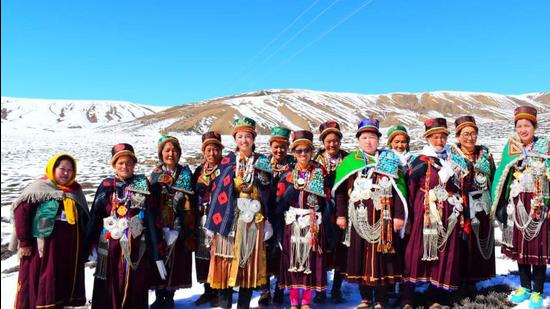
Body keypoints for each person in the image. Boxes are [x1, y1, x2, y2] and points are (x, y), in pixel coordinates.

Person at [332, 118, 408, 308]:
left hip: (385, 219)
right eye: (364, 137)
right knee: (361, 257)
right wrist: (341, 215)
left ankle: (381, 299)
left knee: (383, 259)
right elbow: (340, 192)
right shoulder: (350, 162)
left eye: (372, 137)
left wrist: (399, 216)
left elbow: (399, 190)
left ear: (378, 140)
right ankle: (365, 298)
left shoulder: (389, 160)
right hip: (358, 219)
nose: (368, 141)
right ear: (359, 140)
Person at [205, 117, 274, 309]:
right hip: (228, 221)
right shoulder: (227, 161)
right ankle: (225, 305)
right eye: (240, 136)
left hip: (253, 221)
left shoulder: (262, 162)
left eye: (248, 137)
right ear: (235, 139)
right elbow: (217, 192)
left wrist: (265, 215)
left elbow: (268, 193)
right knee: (225, 265)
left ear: (253, 139)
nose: (244, 140)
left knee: (247, 266)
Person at [88, 143, 165, 309]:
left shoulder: (142, 184)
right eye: (121, 163)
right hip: (110, 247)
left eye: (129, 163)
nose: (125, 166)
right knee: (109, 284)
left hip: (136, 247)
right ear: (114, 165)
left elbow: (152, 218)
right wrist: (88, 246)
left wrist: (157, 251)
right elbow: (95, 216)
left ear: (134, 165)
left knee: (135, 285)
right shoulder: (106, 186)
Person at [11, 153, 89, 309]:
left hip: (68, 250)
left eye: (70, 169)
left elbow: (85, 218)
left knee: (60, 285)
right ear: (53, 168)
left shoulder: (75, 191)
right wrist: (24, 242)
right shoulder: (38, 188)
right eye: (62, 168)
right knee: (41, 281)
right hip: (43, 249)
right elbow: (21, 213)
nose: (66, 173)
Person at [402, 118, 465, 309]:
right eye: (435, 137)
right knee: (416, 252)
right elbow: (411, 188)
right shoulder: (420, 161)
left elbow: (459, 186)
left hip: (447, 213)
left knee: (443, 251)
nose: (439, 141)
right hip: (425, 212)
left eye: (443, 137)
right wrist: (410, 217)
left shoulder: (453, 161)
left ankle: (435, 296)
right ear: (428, 138)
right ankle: (407, 297)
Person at [491, 106, 549, 309]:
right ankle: (524, 287)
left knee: (538, 248)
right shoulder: (511, 146)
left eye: (527, 125)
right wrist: (499, 202)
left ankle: (538, 290)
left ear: (534, 127)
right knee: (521, 248)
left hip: (538, 204)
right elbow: (502, 173)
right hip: (516, 204)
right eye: (519, 126)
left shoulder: (545, 146)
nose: (523, 130)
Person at [276, 130, 332, 309]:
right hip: (292, 222)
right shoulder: (287, 173)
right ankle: (293, 301)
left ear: (311, 151)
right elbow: (280, 201)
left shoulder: (319, 172)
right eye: (298, 151)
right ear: (293, 153)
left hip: (313, 222)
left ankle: (306, 300)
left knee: (310, 260)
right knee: (292, 261)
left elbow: (327, 197)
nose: (302, 154)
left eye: (306, 150)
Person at [149, 136, 197, 308]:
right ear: (161, 153)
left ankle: (170, 295)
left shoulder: (185, 173)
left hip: (181, 224)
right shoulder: (155, 174)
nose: (171, 153)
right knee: (160, 256)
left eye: (174, 150)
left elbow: (192, 197)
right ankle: (159, 294)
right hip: (159, 223)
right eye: (167, 150)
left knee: (176, 258)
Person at [451, 116, 496, 293]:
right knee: (462, 240)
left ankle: (477, 277)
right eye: (465, 134)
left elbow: (493, 177)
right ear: (458, 136)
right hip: (461, 205)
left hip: (481, 204)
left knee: (480, 238)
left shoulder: (484, 154)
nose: (470, 137)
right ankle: (459, 276)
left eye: (473, 133)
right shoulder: (452, 155)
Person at [259, 126, 295, 306]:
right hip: (265, 215)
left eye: (283, 146)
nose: (279, 150)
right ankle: (265, 290)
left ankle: (280, 288)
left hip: (287, 216)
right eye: (276, 146)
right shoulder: (263, 164)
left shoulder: (295, 165)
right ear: (270, 146)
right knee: (264, 252)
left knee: (283, 252)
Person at [312, 120, 348, 303]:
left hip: (344, 210)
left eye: (335, 140)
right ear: (323, 142)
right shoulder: (315, 161)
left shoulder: (349, 160)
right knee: (322, 250)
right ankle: (320, 288)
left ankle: (337, 288)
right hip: (322, 211)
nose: (332, 144)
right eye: (328, 141)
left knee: (341, 250)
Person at [193, 131, 224, 307]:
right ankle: (207, 290)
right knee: (203, 253)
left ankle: (220, 291)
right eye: (208, 150)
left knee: (218, 253)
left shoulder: (226, 169)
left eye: (215, 149)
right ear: (203, 151)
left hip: (220, 218)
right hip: (202, 218)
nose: (212, 153)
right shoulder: (199, 170)